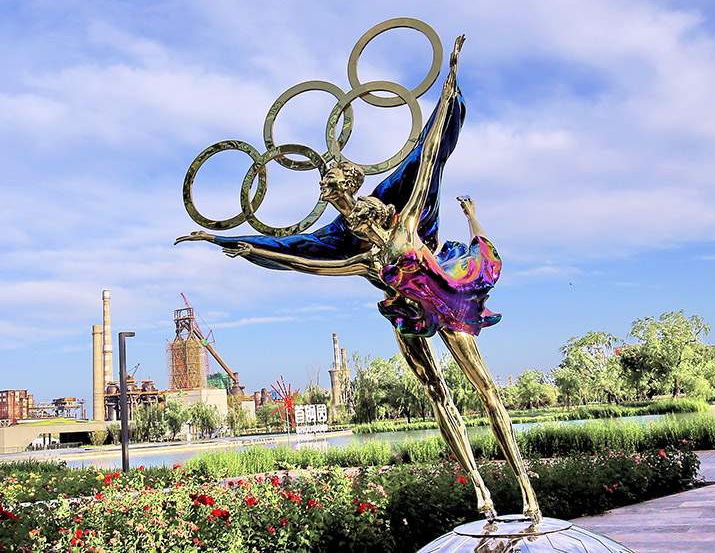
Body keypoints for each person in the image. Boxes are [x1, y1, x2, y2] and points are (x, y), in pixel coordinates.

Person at [177, 35, 540, 523]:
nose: (351, 215)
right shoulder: (358, 252)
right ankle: (480, 490)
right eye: (331, 195)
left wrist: (449, 84)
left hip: (444, 296)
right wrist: (238, 244)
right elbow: (306, 260)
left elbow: (429, 156)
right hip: (405, 312)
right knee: (437, 393)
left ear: (372, 205)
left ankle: (526, 489)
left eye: (346, 197)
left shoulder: (403, 216)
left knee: (487, 390)